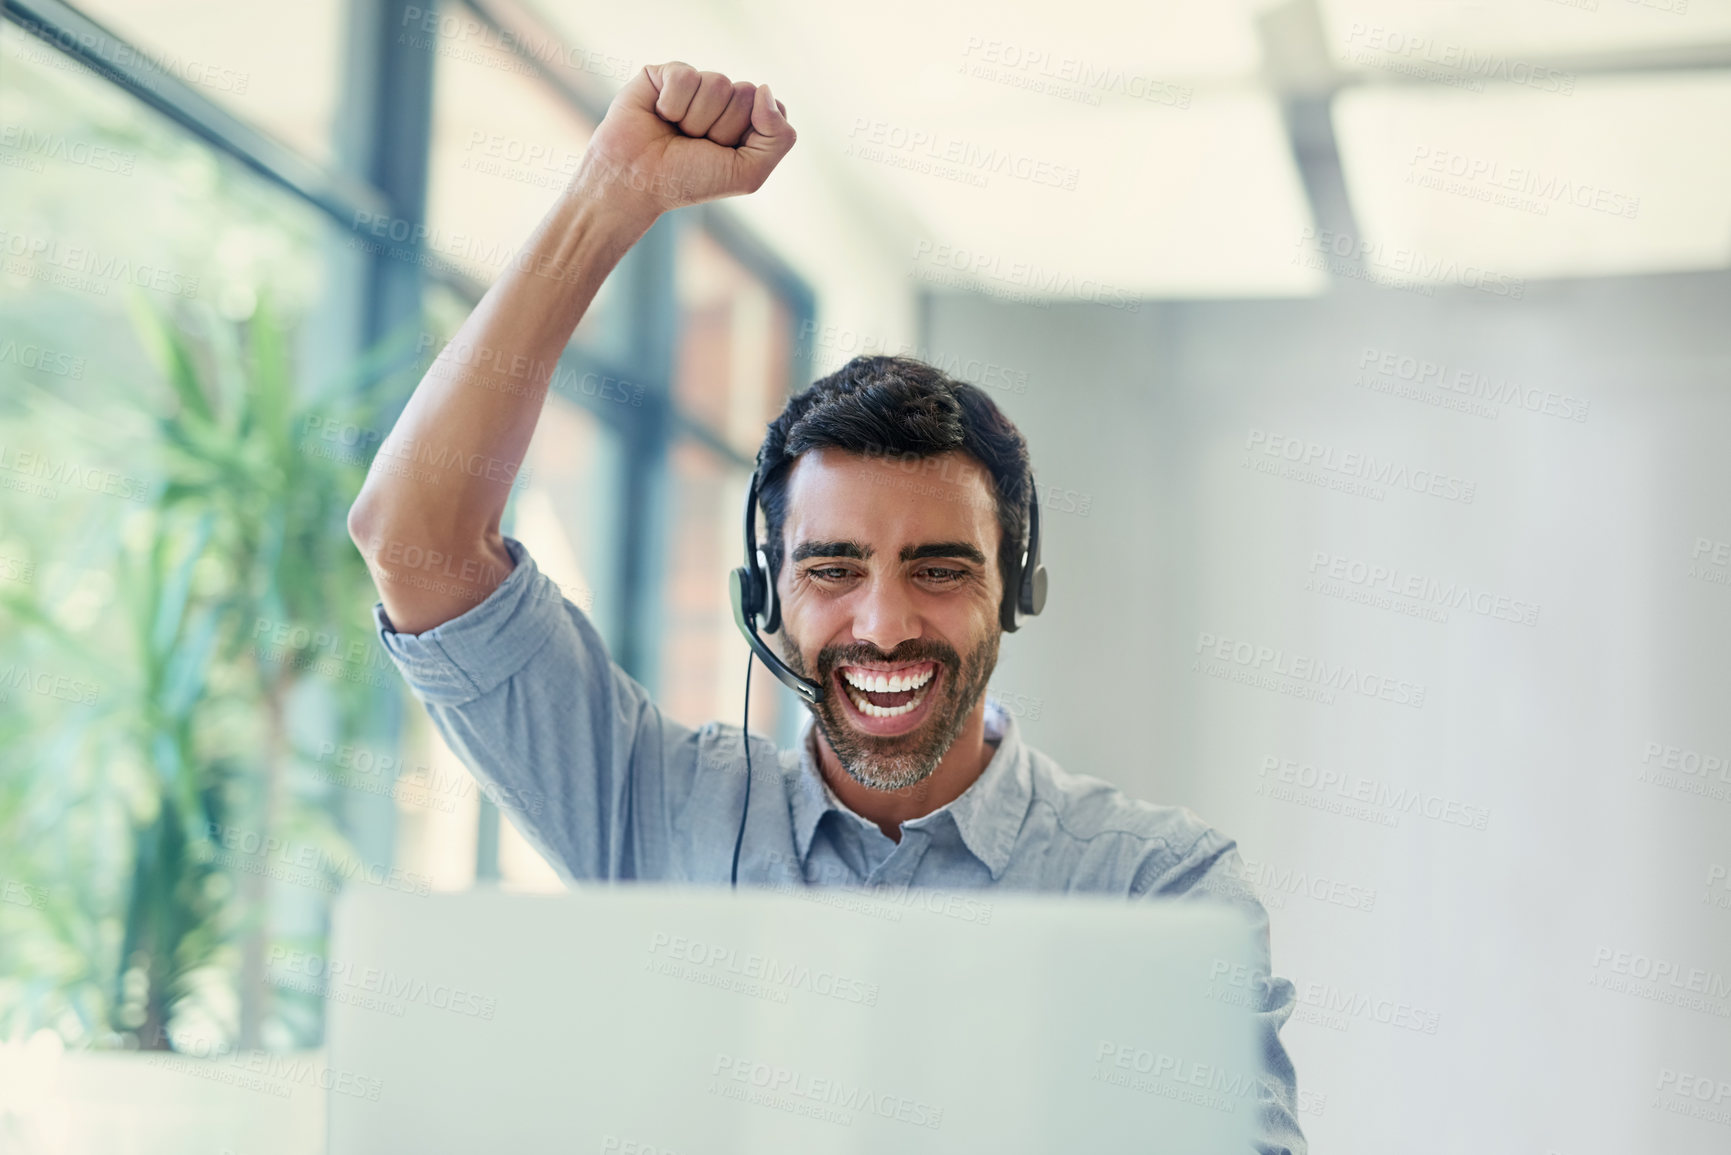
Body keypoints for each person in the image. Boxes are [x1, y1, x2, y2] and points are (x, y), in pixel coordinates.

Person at [347, 61, 1306, 1154]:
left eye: (940, 568)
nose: (884, 622)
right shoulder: (656, 812)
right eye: (832, 568)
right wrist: (610, 194)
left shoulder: (1158, 893)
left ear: (1015, 587)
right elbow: (412, 542)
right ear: (766, 593)